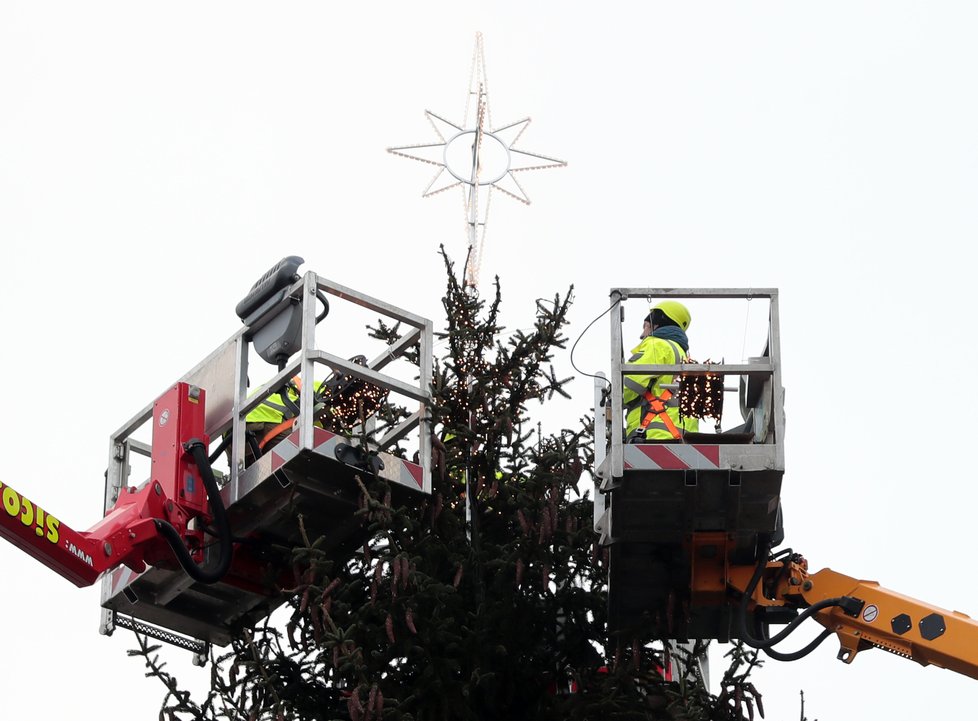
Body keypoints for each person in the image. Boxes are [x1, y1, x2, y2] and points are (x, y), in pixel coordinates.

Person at [622, 301, 699, 442]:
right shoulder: (683, 356)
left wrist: (610, 399)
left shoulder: (657, 345)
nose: (642, 334)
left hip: (653, 434)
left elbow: (628, 384)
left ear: (657, 323)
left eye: (645, 326)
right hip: (683, 437)